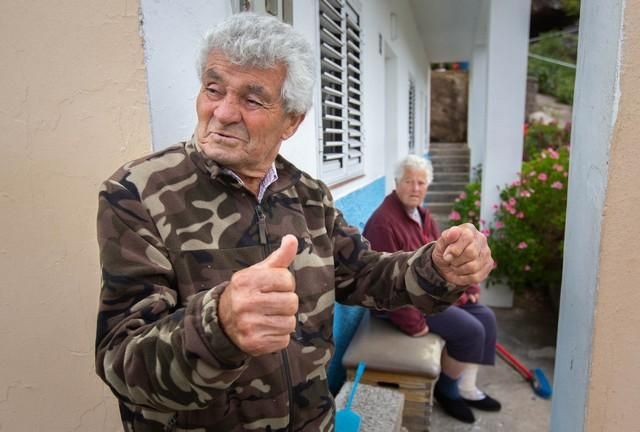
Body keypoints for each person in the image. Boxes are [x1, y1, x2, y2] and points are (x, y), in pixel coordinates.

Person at [95, 13, 494, 432]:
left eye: (252, 100)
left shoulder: (309, 196)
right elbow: (121, 363)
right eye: (213, 89)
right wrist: (219, 326)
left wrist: (438, 267)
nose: (224, 112)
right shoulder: (137, 193)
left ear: (292, 120)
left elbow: (367, 275)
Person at [363, 155, 501, 424]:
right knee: (471, 331)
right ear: (396, 183)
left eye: (421, 182)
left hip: (429, 293)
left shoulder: (422, 216)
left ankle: (466, 388)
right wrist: (413, 323)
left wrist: (468, 284)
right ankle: (447, 392)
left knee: (486, 316)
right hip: (405, 305)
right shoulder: (384, 222)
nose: (415, 188)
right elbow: (383, 282)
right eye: (409, 181)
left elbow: (446, 255)